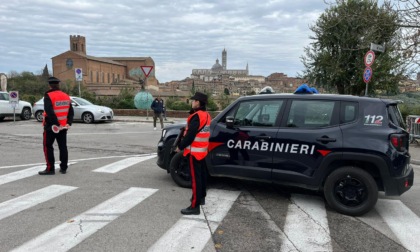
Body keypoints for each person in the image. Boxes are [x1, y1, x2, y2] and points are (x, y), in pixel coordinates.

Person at [175, 92, 212, 215]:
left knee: (195, 180)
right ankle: (201, 198)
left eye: (194, 100)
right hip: (202, 151)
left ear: (198, 102)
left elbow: (190, 135)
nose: (192, 102)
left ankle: (194, 206)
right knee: (201, 177)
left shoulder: (196, 116)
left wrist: (180, 146)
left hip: (194, 152)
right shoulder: (206, 115)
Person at [38, 77, 74, 175]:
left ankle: (50, 169)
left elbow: (49, 112)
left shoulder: (48, 95)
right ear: (58, 85)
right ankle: (63, 168)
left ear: (49, 85)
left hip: (51, 126)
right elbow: (71, 112)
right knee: (63, 147)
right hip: (63, 126)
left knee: (48, 146)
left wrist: (56, 124)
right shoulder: (66, 96)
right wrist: (68, 123)